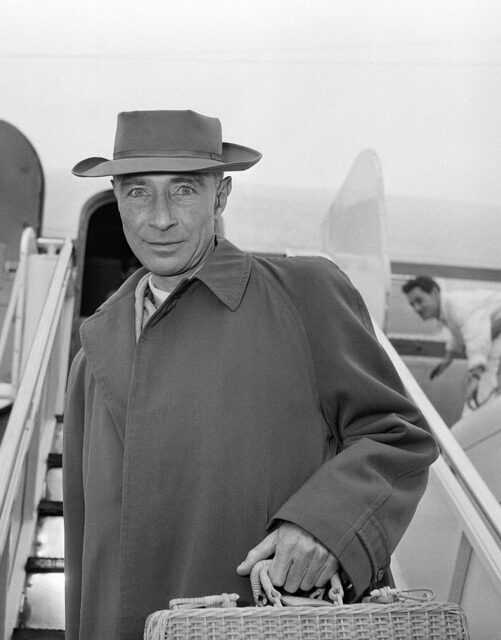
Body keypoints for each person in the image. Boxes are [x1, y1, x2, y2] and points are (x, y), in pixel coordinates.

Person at [64, 109, 438, 640]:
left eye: (185, 190)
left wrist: (327, 527)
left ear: (221, 196)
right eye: (138, 193)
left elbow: (397, 435)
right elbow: (83, 548)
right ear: (119, 201)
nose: (161, 218)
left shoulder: (305, 294)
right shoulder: (91, 354)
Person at [403, 275, 501, 411]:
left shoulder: (458, 306)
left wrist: (475, 376)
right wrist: (447, 360)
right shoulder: (448, 310)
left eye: (419, 301)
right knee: (488, 358)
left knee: (492, 356)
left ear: (434, 293)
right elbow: (458, 334)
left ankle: (483, 407)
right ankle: (483, 404)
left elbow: (476, 336)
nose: (416, 308)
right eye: (412, 304)